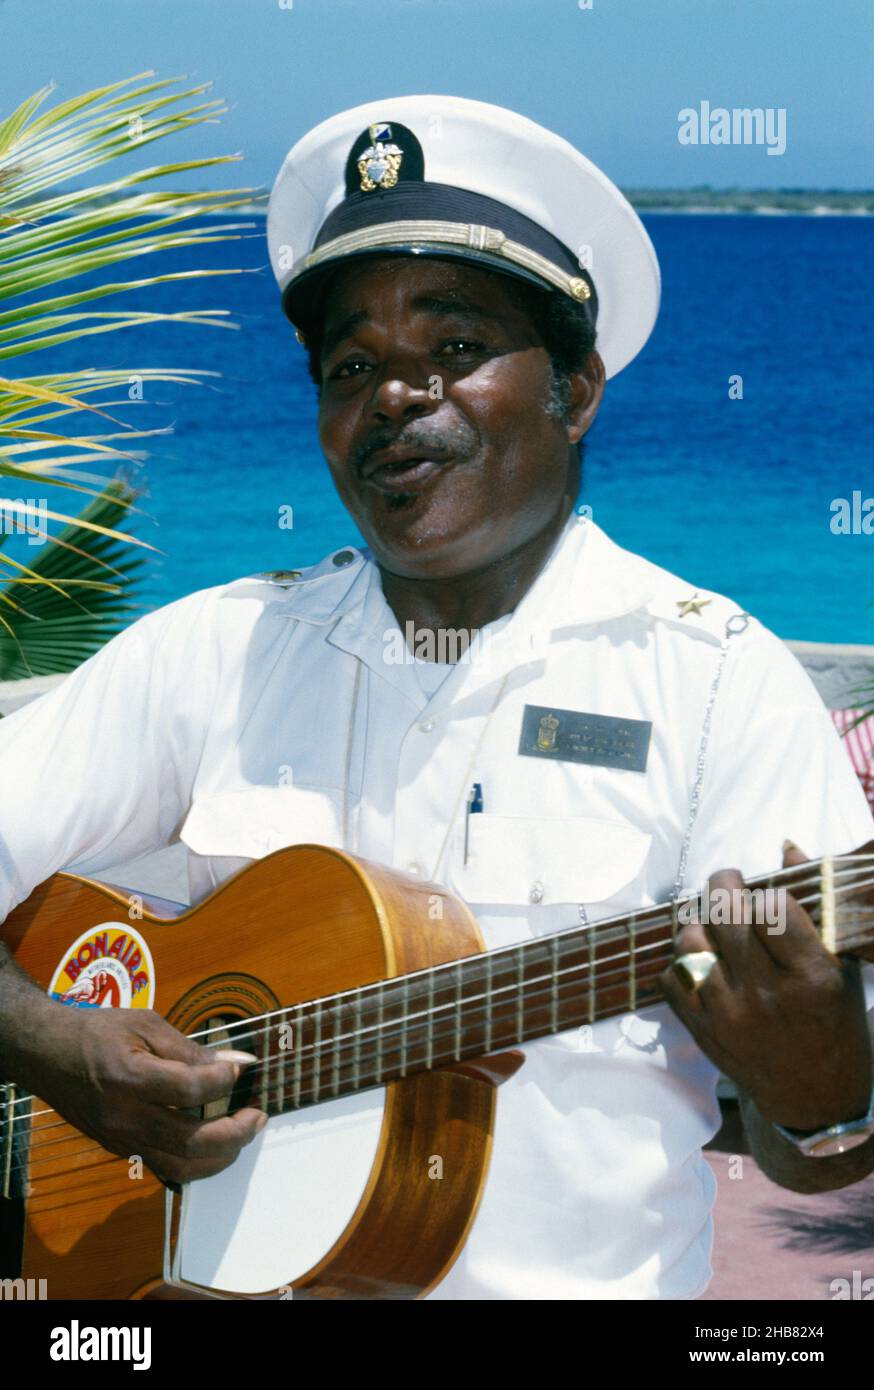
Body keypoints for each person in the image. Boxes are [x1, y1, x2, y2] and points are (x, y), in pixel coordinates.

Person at [1, 95, 873, 1300]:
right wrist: (56, 1042)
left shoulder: (716, 684)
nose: (398, 396)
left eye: (456, 349)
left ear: (576, 390)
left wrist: (824, 1094)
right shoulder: (214, 649)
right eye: (353, 365)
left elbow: (814, 1154)